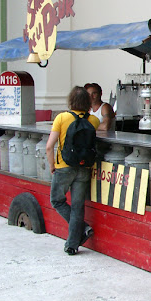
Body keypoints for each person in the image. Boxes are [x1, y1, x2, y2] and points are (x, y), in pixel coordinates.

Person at [46, 86, 100, 255]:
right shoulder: (93, 121)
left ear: (70, 101)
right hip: (84, 167)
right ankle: (72, 245)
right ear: (87, 102)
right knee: (78, 207)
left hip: (64, 167)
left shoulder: (61, 118)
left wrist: (51, 166)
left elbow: (49, 146)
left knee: (57, 201)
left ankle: (82, 228)